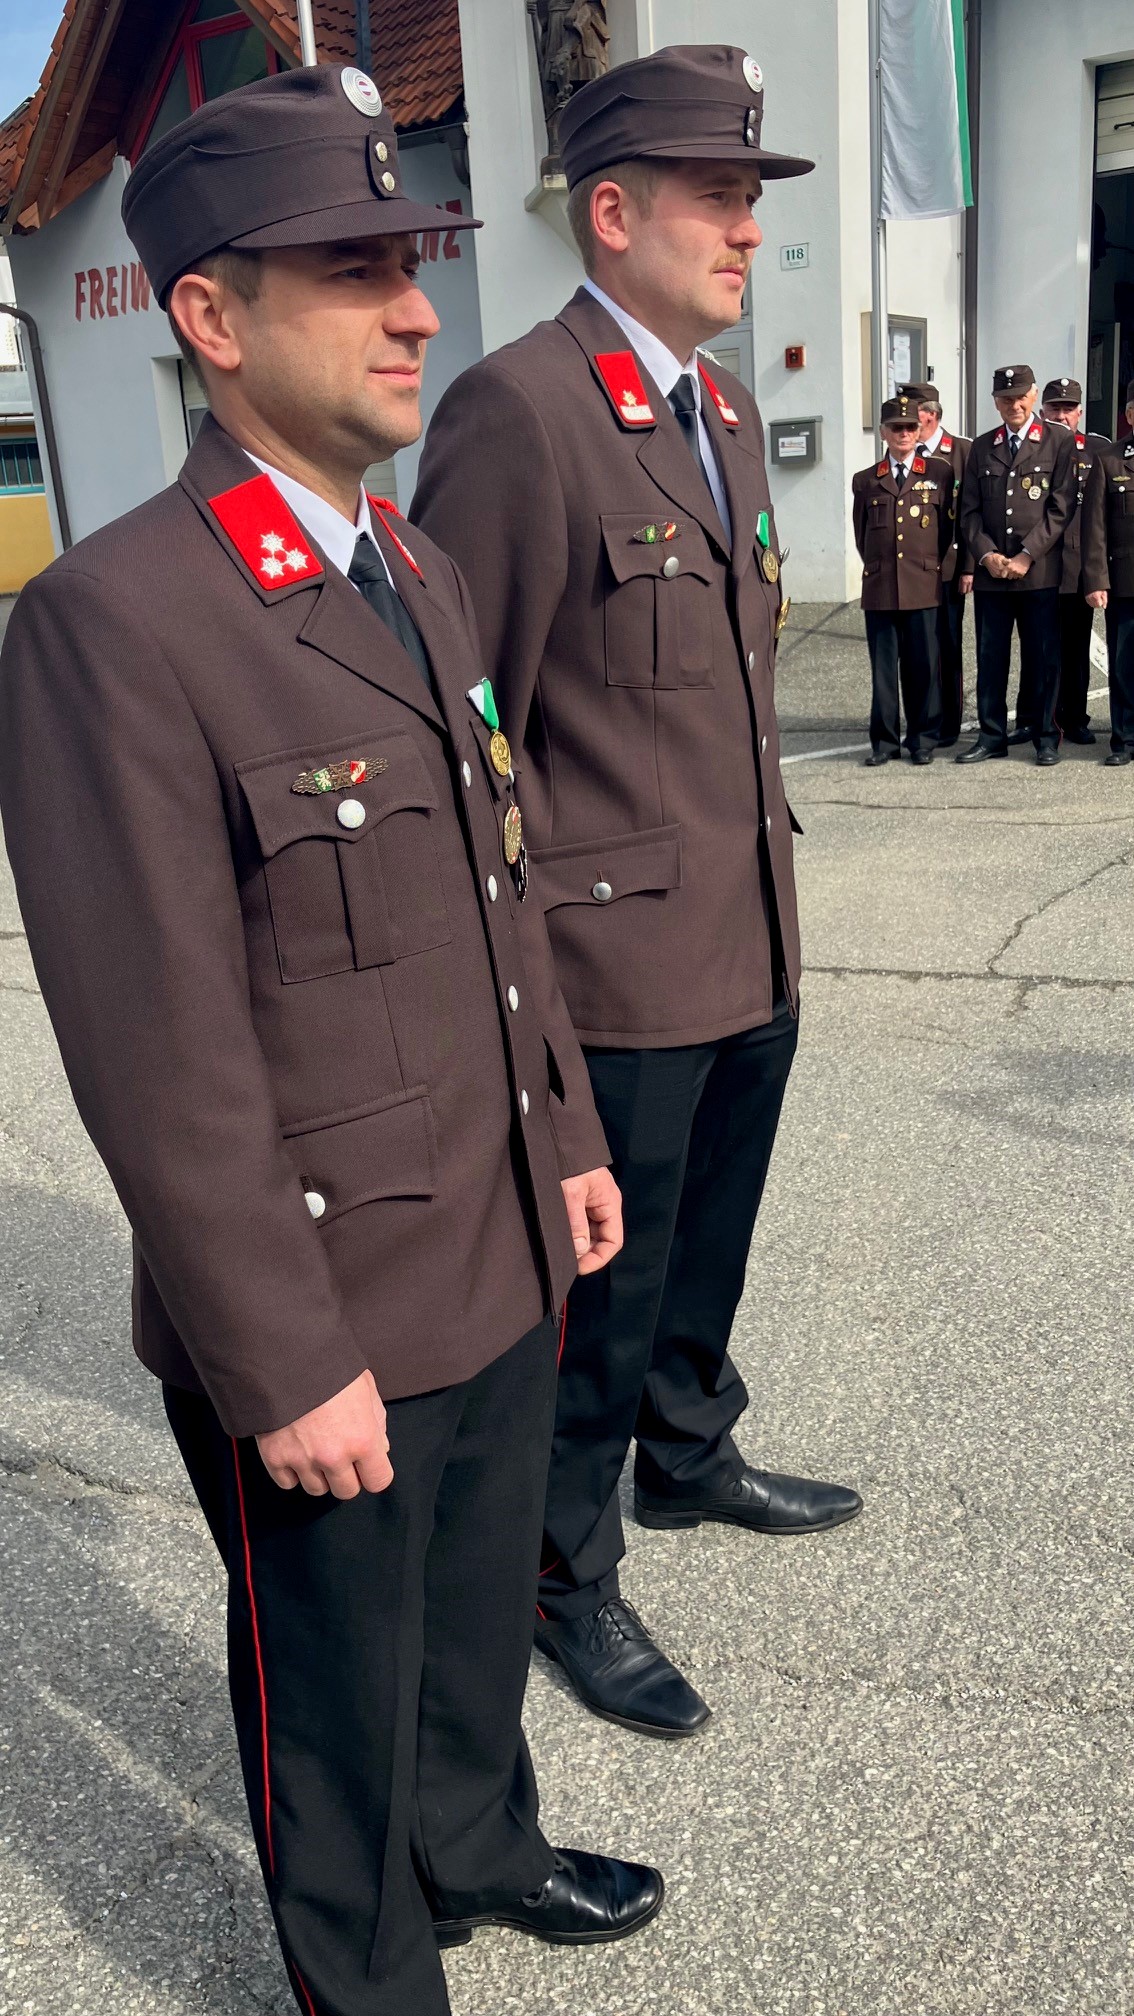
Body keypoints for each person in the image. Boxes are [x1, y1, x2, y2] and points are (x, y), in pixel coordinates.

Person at [0, 65, 665, 2016]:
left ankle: (485, 1849)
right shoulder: (117, 623)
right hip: (328, 1297)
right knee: (339, 1692)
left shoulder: (419, 571)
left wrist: (567, 1143)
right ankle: (366, 1977)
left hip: (494, 1240)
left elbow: (500, 898)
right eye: (353, 271)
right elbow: (160, 1053)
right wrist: (281, 1359)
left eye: (413, 264)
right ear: (210, 317)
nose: (415, 311)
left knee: (464, 1635)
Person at [413, 44, 861, 1746]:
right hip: (612, 967)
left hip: (746, 928)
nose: (746, 229)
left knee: (707, 1245)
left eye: (752, 198)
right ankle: (559, 1566)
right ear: (612, 214)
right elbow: (471, 733)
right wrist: (514, 1002)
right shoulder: (519, 411)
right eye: (718, 197)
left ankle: (683, 1449)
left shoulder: (718, 412)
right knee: (596, 1298)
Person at [956, 364, 1077, 766]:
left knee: (1043, 658)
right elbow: (969, 512)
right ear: (995, 402)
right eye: (1005, 399)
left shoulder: (1058, 441)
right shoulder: (982, 446)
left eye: (1021, 397)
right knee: (991, 658)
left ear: (1034, 395)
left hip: (1038, 572)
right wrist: (986, 555)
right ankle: (992, 736)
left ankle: (1045, 736)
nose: (1014, 405)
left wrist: (1026, 555)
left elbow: (1061, 508)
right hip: (992, 575)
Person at [852, 393, 955, 765]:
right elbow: (862, 535)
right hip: (881, 588)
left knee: (923, 667)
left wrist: (927, 567)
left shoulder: (939, 473)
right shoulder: (866, 480)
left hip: (922, 585)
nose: (904, 434)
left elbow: (946, 532)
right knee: (883, 671)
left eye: (910, 427)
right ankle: (884, 743)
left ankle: (922, 739)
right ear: (883, 432)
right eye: (896, 427)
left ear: (919, 429)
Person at [1033, 375, 1108, 745]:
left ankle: (1075, 718)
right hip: (1038, 565)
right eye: (1054, 408)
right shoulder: (1030, 448)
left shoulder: (1099, 450)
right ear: (1042, 411)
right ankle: (1037, 718)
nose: (1061, 415)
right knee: (1039, 649)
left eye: (1068, 409)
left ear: (1079, 412)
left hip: (1078, 566)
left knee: (1076, 650)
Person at [898, 380, 970, 746]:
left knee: (947, 646)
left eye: (911, 416)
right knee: (917, 647)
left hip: (949, 566)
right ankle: (922, 719)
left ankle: (948, 723)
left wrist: (969, 566)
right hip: (912, 569)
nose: (905, 424)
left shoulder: (962, 451)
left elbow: (971, 514)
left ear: (929, 415)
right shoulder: (903, 452)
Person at [1080, 376, 1134, 765]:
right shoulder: (1109, 459)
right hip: (1126, 581)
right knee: (1125, 664)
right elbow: (1094, 527)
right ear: (1129, 415)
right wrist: (1096, 579)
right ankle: (1124, 740)